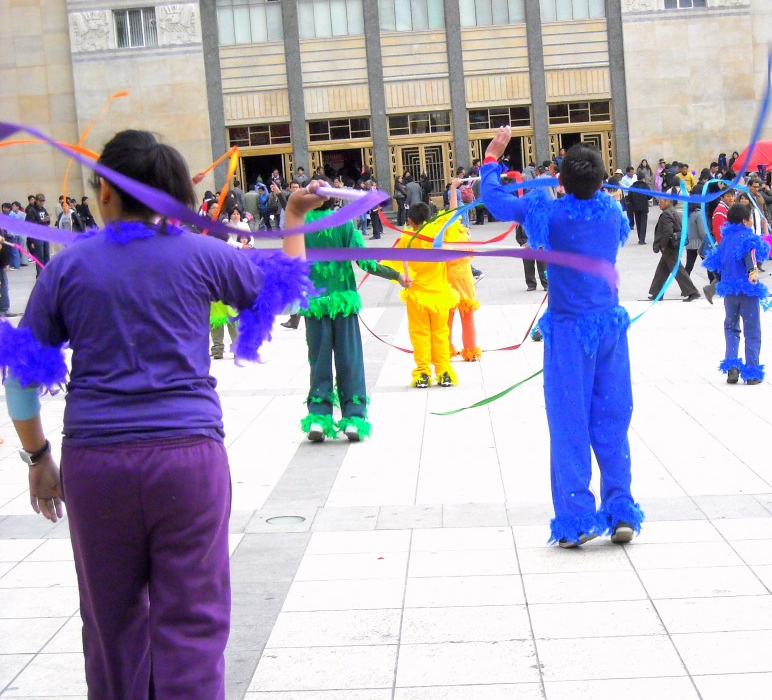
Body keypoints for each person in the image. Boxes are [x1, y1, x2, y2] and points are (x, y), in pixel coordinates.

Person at [0, 129, 315, 698]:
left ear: (106, 194)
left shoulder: (67, 269)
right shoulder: (205, 254)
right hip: (188, 461)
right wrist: (292, 215)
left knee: (110, 624)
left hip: (97, 467)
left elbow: (20, 373)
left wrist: (38, 457)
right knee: (193, 622)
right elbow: (284, 290)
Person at [480, 125, 644, 547]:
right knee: (612, 418)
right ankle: (620, 508)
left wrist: (492, 158)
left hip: (570, 333)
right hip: (610, 327)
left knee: (569, 421)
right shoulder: (612, 213)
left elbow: (496, 202)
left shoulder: (549, 213)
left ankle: (577, 519)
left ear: (561, 179)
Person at [300, 193, 409, 441]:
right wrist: (396, 275)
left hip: (314, 304)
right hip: (343, 303)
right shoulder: (344, 223)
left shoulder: (302, 226)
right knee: (350, 359)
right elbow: (364, 261)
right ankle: (354, 417)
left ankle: (318, 416)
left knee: (319, 360)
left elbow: (290, 263)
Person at [391, 203, 459, 388]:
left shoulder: (406, 238)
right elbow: (453, 215)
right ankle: (444, 372)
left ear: (410, 220)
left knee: (420, 334)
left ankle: (422, 373)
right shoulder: (438, 233)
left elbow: (396, 263)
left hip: (417, 296)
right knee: (440, 334)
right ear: (429, 217)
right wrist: (453, 189)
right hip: (439, 295)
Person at [702, 202, 770, 385]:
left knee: (731, 328)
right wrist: (752, 272)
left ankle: (732, 367)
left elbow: (714, 264)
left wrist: (722, 279)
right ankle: (752, 372)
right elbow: (752, 257)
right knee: (752, 329)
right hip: (747, 291)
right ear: (745, 220)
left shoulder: (724, 241)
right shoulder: (749, 238)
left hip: (730, 293)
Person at [445, 177, 481, 361]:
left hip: (452, 280)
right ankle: (471, 351)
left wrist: (453, 189)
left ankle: (447, 349)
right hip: (463, 280)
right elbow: (454, 210)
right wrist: (453, 189)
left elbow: (453, 210)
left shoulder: (446, 233)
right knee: (466, 317)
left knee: (448, 318)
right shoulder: (462, 232)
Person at [648, 194, 700, 302]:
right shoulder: (672, 211)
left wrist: (662, 245)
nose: (659, 203)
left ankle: (692, 291)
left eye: (661, 201)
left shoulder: (666, 214)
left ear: (668, 202)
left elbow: (667, 232)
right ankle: (657, 293)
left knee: (678, 270)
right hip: (673, 245)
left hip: (669, 246)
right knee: (662, 270)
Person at [626, 174, 651, 244]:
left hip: (635, 207)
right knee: (643, 223)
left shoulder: (633, 186)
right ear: (643, 179)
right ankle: (642, 239)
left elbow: (629, 197)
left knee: (638, 222)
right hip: (644, 207)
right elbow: (649, 196)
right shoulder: (645, 186)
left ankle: (640, 237)